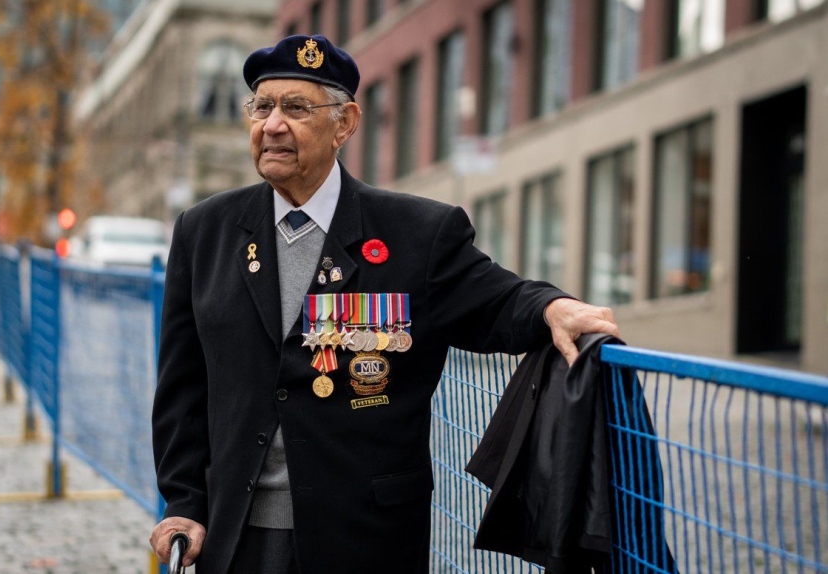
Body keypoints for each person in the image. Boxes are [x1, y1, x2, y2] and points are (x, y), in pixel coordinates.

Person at [150, 35, 619, 574]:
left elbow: (497, 298)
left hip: (363, 539)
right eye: (262, 106)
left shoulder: (418, 234)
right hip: (237, 534)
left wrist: (552, 308)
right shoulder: (204, 232)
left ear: (345, 124)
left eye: (296, 108)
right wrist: (183, 502)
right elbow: (182, 387)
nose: (272, 125)